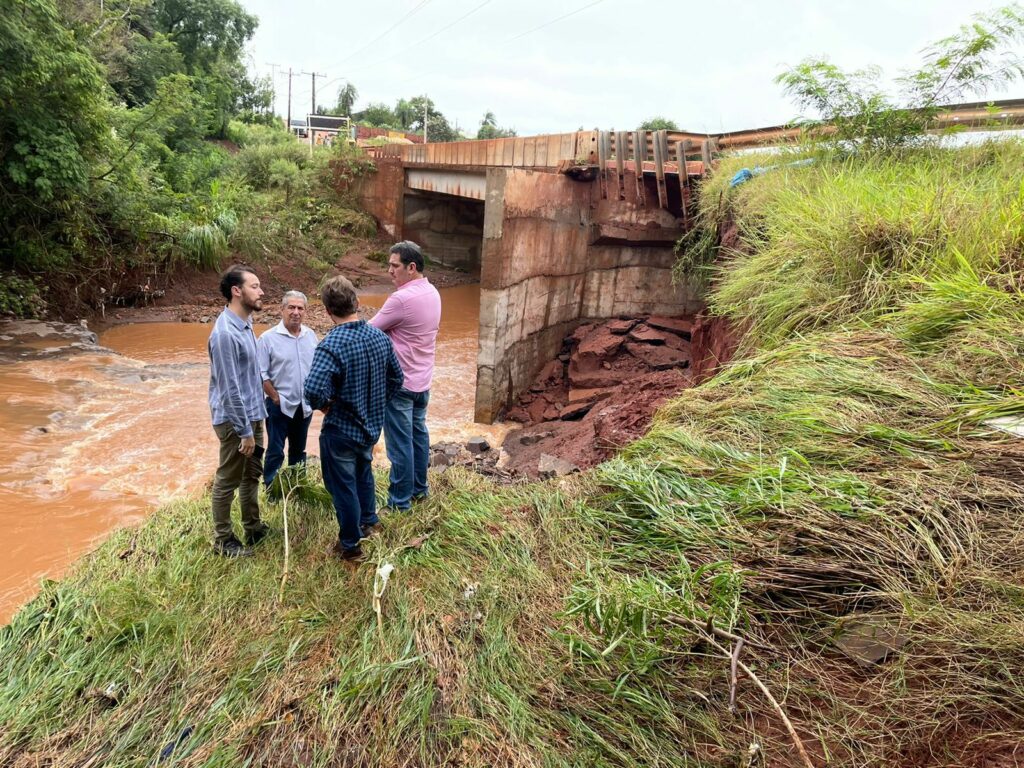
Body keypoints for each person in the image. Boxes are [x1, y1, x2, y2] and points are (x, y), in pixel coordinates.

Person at [305, 276, 404, 560]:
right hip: (370, 427)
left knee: (342, 486)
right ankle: (369, 521)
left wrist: (327, 405)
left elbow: (312, 390)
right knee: (364, 472)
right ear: (358, 303)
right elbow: (397, 378)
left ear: (327, 311)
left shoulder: (331, 344)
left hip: (341, 429)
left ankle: (350, 545)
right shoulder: (379, 337)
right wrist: (377, 403)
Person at [369, 241, 441, 512]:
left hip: (400, 384)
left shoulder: (401, 299)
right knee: (418, 436)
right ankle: (420, 491)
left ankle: (399, 502)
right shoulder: (433, 292)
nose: (389, 271)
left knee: (400, 446)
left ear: (412, 268)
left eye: (394, 265)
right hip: (423, 381)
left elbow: (370, 330)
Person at [207, 265, 270, 557]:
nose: (261, 291)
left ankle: (253, 527)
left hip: (254, 414)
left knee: (251, 475)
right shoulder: (223, 334)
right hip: (235, 422)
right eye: (255, 286)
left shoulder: (246, 322)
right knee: (228, 480)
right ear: (237, 291)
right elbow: (229, 388)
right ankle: (223, 540)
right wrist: (245, 431)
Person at [257, 290, 318, 489]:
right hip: (279, 406)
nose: (296, 312)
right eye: (291, 307)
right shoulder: (268, 338)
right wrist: (275, 398)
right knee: (275, 450)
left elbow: (316, 369)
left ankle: (297, 486)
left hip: (304, 405)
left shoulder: (310, 336)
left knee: (299, 450)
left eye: (300, 308)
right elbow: (261, 374)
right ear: (281, 310)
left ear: (305, 311)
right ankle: (271, 488)